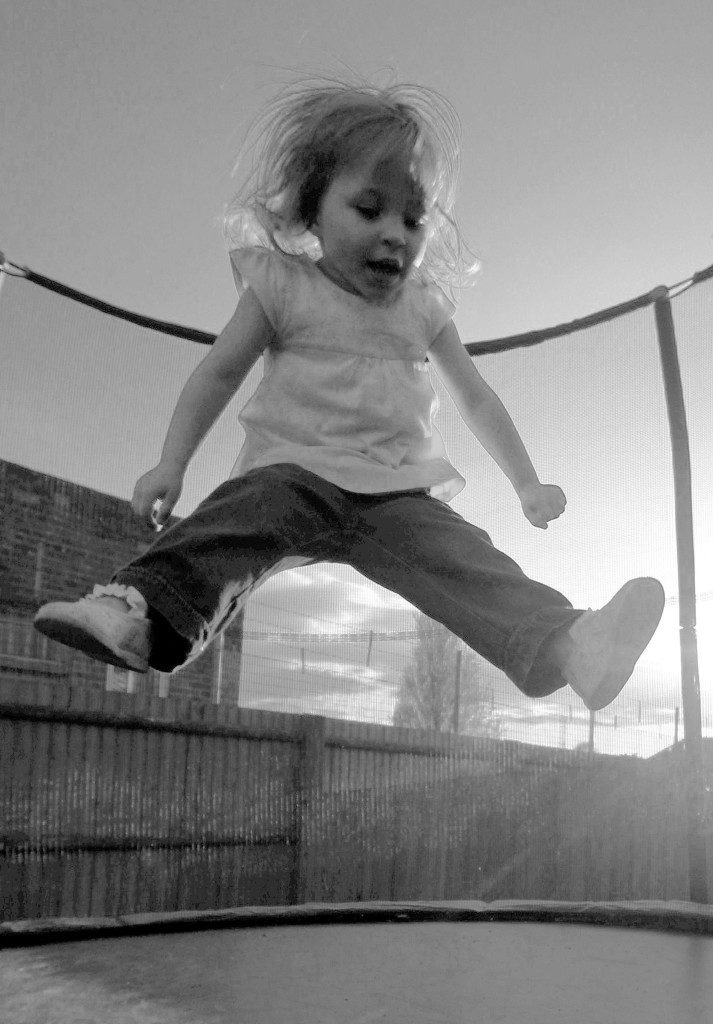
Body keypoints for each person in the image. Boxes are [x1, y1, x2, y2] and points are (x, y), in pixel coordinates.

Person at [34, 74, 664, 711]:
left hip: (393, 491)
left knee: (462, 558)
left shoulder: (422, 307)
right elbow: (219, 373)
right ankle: (139, 614)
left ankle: (570, 645)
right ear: (314, 209)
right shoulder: (282, 286)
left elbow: (475, 397)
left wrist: (526, 483)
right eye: (369, 210)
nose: (395, 232)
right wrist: (172, 461)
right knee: (232, 524)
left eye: (413, 220)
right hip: (294, 474)